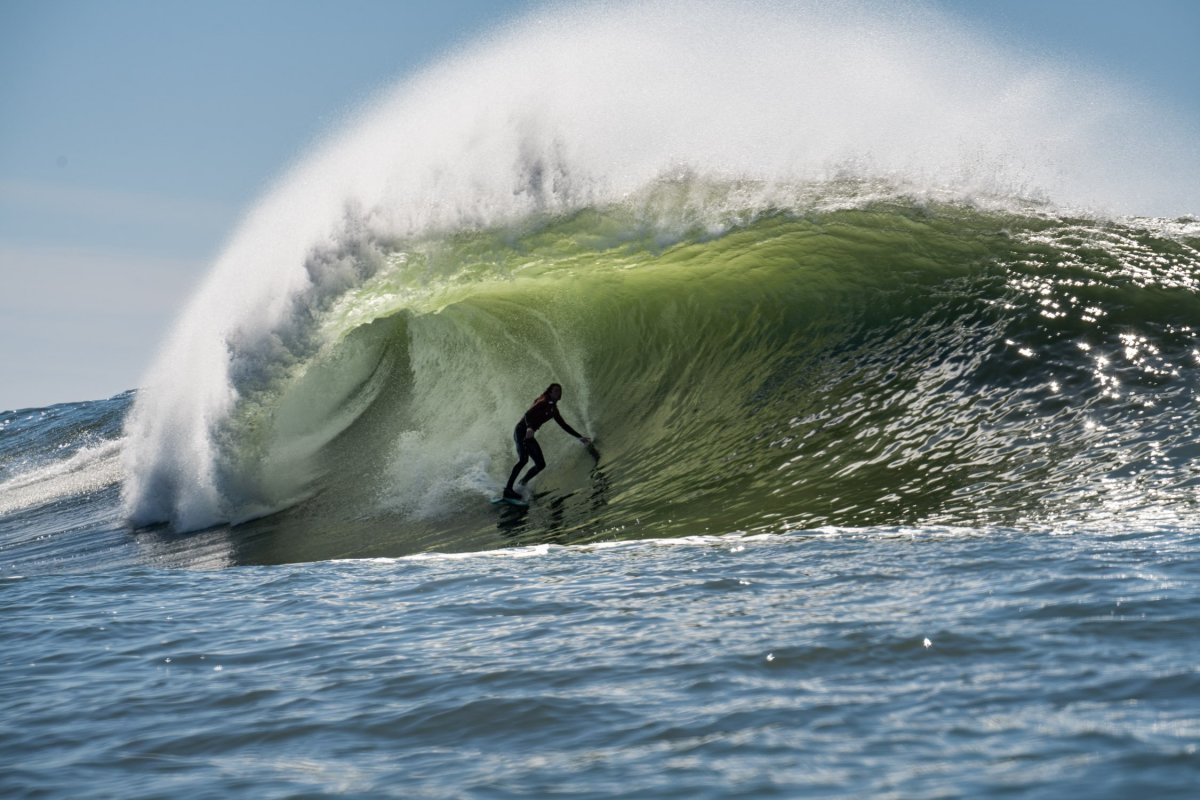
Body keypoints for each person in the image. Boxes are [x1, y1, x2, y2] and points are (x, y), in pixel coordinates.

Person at [504, 383, 591, 500]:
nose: (559, 393)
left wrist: (579, 437)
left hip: (529, 436)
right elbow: (527, 414)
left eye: (560, 391)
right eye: (556, 391)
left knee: (540, 464)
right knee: (523, 459)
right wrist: (529, 427)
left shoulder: (553, 410)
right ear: (550, 392)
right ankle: (508, 490)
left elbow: (563, 425)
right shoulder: (543, 401)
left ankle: (522, 483)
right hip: (521, 431)